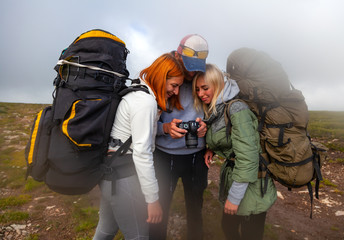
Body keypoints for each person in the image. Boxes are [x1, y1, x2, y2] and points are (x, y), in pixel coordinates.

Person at [93, 53, 184, 240]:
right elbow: (142, 153)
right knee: (139, 236)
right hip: (124, 177)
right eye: (174, 85)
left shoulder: (137, 92)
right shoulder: (145, 102)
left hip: (111, 174)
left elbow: (133, 132)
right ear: (161, 77)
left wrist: (164, 127)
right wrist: (153, 200)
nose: (176, 92)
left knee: (106, 231)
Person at [192, 64, 277, 240]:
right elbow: (228, 138)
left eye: (205, 88)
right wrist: (211, 149)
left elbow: (248, 158)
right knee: (229, 228)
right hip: (237, 178)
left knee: (250, 234)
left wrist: (234, 198)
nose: (200, 94)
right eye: (197, 89)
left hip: (252, 186)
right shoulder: (219, 108)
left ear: (218, 84)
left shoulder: (237, 109)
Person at [149, 34, 209, 240]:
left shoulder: (204, 78)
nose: (192, 72)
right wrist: (164, 128)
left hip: (196, 157)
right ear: (177, 55)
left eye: (198, 66)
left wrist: (207, 128)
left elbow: (217, 112)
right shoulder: (162, 79)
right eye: (189, 65)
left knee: (195, 209)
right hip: (165, 157)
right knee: (160, 209)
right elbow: (143, 124)